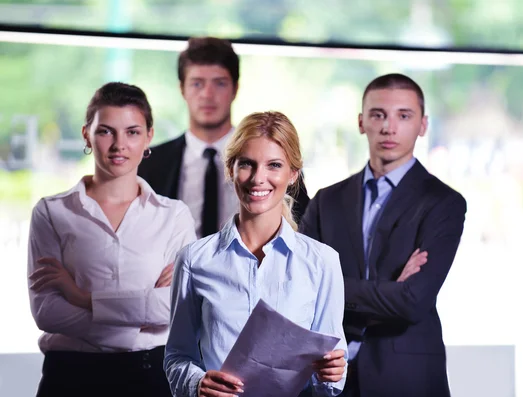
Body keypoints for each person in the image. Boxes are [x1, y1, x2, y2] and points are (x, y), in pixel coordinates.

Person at [300, 73, 467, 397]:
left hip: (407, 375)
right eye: (378, 115)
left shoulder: (444, 202)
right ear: (362, 122)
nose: (389, 127)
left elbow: (412, 301)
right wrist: (389, 290)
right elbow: (302, 288)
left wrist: (331, 287)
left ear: (423, 124)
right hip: (328, 372)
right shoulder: (327, 200)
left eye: (404, 116)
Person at [27, 82, 196, 397]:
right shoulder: (51, 213)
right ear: (86, 135)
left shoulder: (173, 216)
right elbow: (47, 311)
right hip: (70, 377)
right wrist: (138, 320)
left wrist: (82, 297)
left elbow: (177, 309)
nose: (119, 144)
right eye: (106, 131)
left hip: (151, 377)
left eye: (132, 132)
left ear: (149, 137)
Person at [164, 111, 347, 397]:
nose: (258, 178)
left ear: (293, 174)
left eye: (274, 165)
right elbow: (177, 356)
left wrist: (333, 374)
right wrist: (197, 384)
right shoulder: (193, 260)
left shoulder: (322, 262)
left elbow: (331, 376)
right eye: (247, 164)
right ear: (231, 169)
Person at [138, 37, 310, 238]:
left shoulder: (276, 163)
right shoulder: (150, 164)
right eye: (197, 84)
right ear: (182, 89)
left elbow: (304, 232)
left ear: (235, 89)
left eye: (219, 83)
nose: (207, 94)